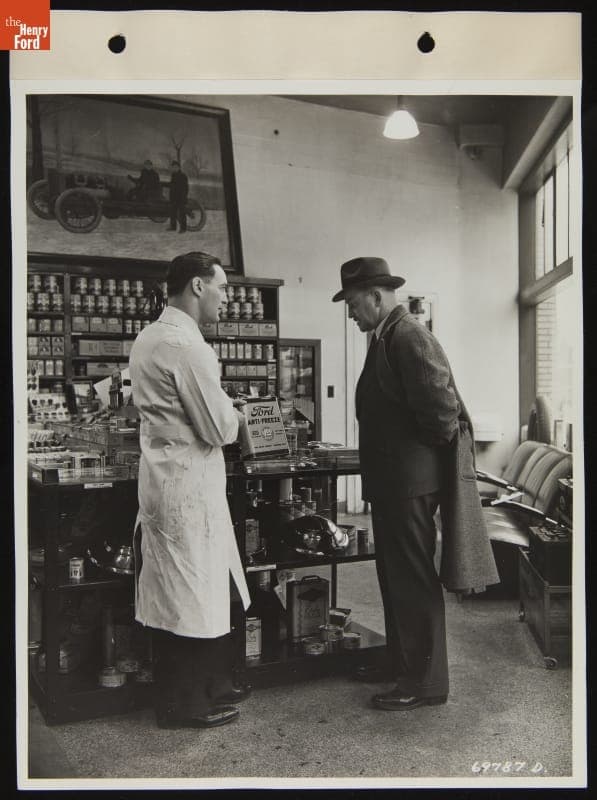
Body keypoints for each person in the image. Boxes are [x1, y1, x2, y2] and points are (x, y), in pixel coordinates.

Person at [332, 256, 498, 711]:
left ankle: (423, 681)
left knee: (413, 580)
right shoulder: (385, 336)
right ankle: (400, 661)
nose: (349, 313)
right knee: (394, 577)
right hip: (394, 483)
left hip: (408, 485)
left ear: (377, 296)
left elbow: (443, 414)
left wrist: (416, 461)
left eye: (351, 303)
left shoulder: (409, 336)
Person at [129, 251, 251, 730]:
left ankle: (196, 692)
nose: (226, 298)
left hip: (164, 480)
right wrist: (237, 414)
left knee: (176, 593)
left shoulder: (150, 336)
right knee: (190, 596)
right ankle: (184, 705)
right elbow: (217, 429)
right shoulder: (187, 346)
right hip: (188, 488)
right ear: (198, 286)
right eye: (221, 287)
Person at [168, 160, 189, 233]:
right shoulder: (173, 175)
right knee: (172, 212)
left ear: (179, 167)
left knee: (182, 213)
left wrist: (184, 197)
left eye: (176, 167)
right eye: (173, 167)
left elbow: (186, 188)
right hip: (174, 197)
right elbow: (172, 186)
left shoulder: (183, 176)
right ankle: (173, 227)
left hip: (181, 197)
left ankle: (183, 228)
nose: (174, 168)